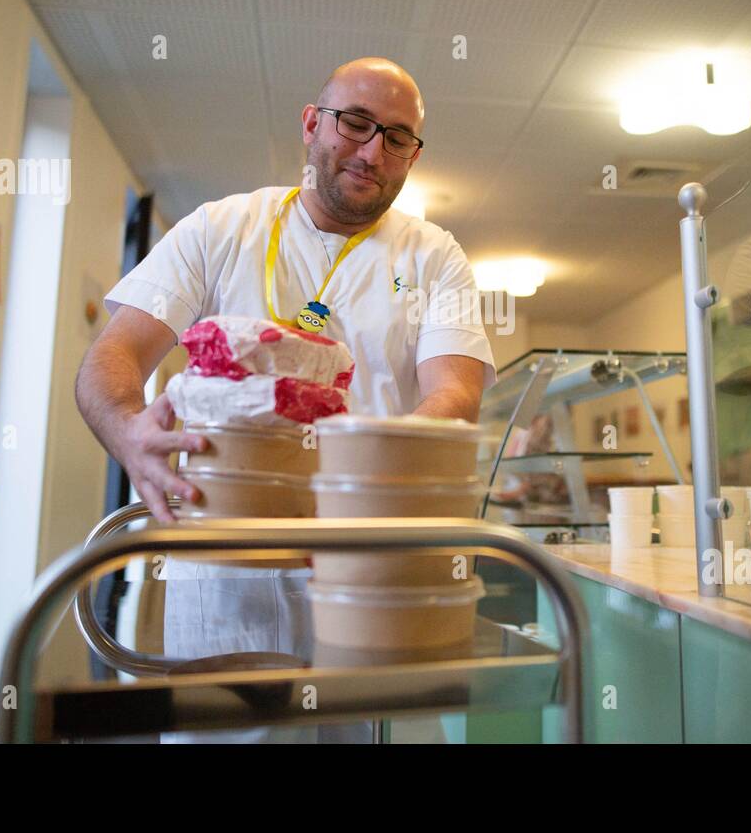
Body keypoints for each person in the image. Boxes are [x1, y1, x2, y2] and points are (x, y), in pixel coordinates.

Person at [74, 57, 496, 739]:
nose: (371, 151)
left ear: (413, 156)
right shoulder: (221, 228)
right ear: (311, 123)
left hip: (370, 565)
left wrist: (355, 484)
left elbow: (455, 393)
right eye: (355, 124)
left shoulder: (432, 255)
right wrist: (128, 432)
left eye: (396, 138)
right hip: (227, 563)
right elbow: (112, 356)